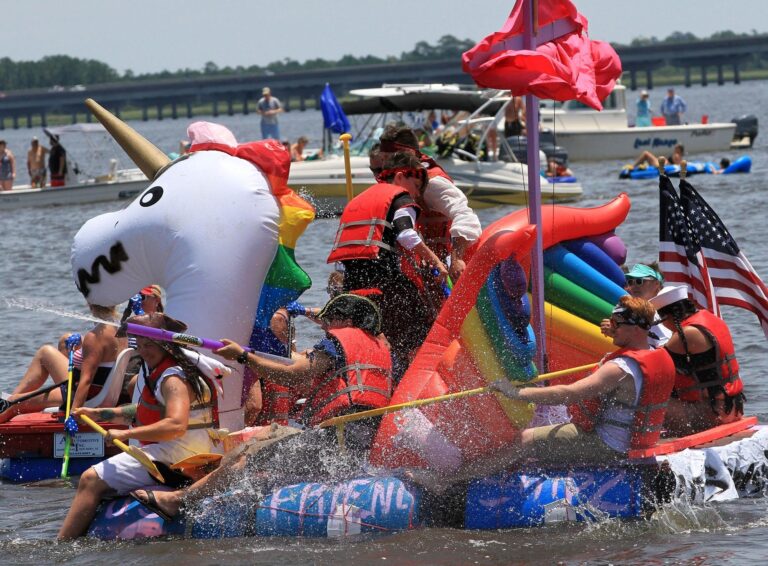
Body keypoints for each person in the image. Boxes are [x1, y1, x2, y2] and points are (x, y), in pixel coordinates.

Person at [127, 294, 392, 522]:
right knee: (266, 434)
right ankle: (204, 486)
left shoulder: (339, 340)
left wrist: (243, 357)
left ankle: (180, 500)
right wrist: (254, 353)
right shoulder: (376, 346)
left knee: (247, 455)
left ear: (346, 321)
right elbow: (302, 361)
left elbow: (294, 375)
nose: (327, 328)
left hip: (335, 442)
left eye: (331, 320)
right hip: (357, 441)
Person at [406, 296, 676, 490]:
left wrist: (516, 393)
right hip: (634, 443)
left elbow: (568, 393)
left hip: (608, 446)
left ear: (635, 327)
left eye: (616, 324)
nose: (610, 328)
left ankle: (445, 482)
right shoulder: (655, 354)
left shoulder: (619, 369)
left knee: (525, 439)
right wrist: (618, 333)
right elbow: (634, 340)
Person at [57, 312, 225, 539]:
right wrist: (98, 413)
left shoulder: (171, 378)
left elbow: (176, 424)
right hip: (196, 446)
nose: (144, 351)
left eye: (151, 344)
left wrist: (126, 434)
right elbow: (147, 411)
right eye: (141, 344)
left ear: (166, 344)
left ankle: (63, 545)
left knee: (90, 479)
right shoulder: (172, 368)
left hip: (181, 454)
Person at [329, 151, 447, 373]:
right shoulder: (401, 198)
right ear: (401, 176)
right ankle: (414, 385)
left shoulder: (359, 199)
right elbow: (406, 235)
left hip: (351, 289)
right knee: (426, 331)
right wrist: (436, 262)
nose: (417, 194)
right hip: (386, 289)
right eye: (417, 185)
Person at [376, 124, 482, 282]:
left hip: (444, 271)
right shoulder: (390, 183)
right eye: (381, 159)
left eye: (387, 159)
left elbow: (465, 215)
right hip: (413, 271)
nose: (383, 166)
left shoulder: (432, 183)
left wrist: (456, 259)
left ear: (407, 154)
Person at [0, 305, 126, 423]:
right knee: (49, 350)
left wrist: (73, 414)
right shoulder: (120, 326)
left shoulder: (95, 337)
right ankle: (9, 401)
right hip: (101, 388)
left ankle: (9, 403)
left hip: (82, 395)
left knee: (13, 403)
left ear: (90, 302)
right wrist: (83, 343)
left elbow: (86, 380)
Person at [650, 285, 745, 435]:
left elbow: (652, 364)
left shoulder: (687, 334)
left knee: (645, 395)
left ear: (667, 317)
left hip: (711, 414)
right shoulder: (709, 318)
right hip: (732, 408)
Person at [600, 263, 671, 348]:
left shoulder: (660, 311)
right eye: (630, 282)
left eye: (639, 281)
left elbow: (665, 348)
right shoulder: (641, 310)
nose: (633, 286)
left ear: (656, 283)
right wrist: (617, 332)